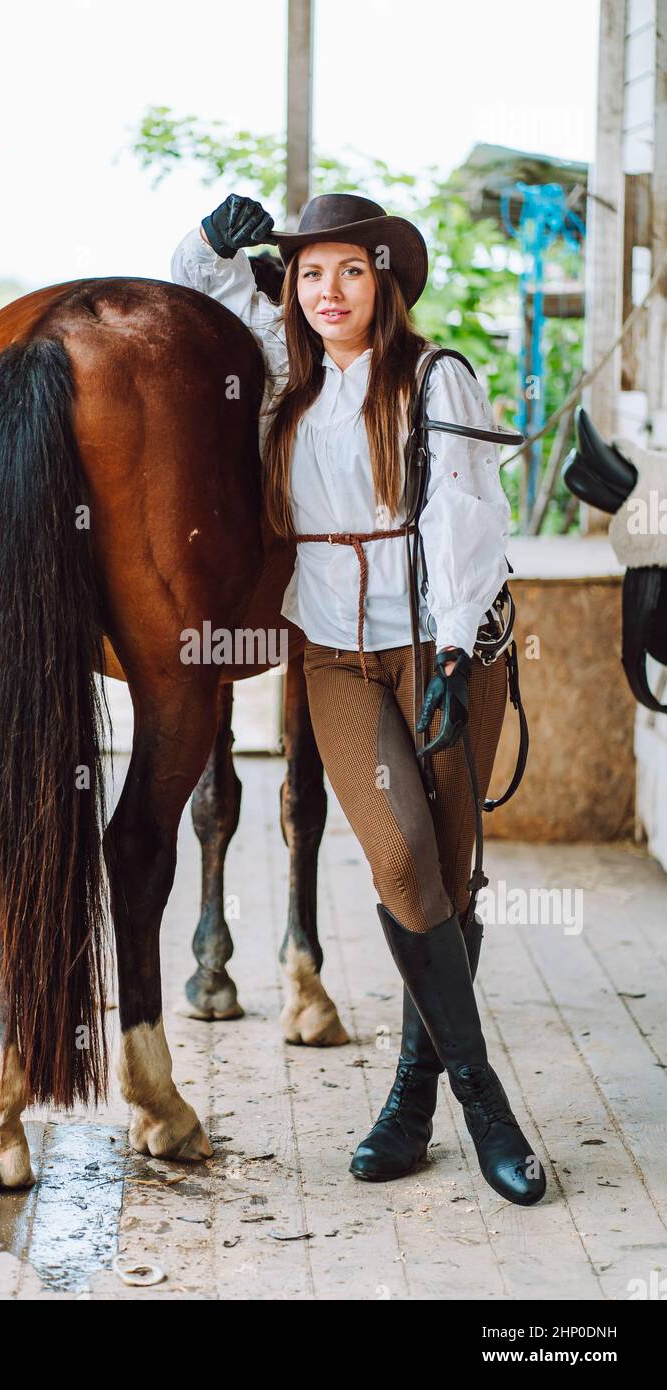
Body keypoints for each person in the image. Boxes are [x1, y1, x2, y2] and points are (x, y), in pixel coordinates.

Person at [170, 192, 547, 1207]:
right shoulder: (284, 385)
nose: (324, 290)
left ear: (382, 280)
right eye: (305, 274)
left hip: (442, 643)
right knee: (398, 859)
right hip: (336, 655)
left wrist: (461, 655)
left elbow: (472, 517)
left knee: (452, 879)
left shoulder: (436, 377)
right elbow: (190, 295)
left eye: (345, 269)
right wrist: (209, 241)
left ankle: (408, 1099)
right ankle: (483, 1101)